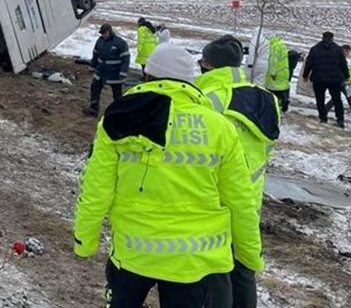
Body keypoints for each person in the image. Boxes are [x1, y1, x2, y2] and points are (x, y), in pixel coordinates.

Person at [74, 43, 263, 308]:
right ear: (190, 80)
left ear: (148, 75)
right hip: (197, 262)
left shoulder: (120, 116)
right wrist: (249, 255)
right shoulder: (220, 128)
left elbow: (96, 188)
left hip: (134, 253)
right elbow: (240, 201)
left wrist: (85, 240)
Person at [195, 35, 281, 308]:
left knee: (213, 273)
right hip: (250, 200)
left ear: (208, 64)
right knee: (243, 268)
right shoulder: (267, 100)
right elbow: (267, 149)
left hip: (212, 201)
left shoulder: (206, 99)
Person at [302, 32, 349, 128]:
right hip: (334, 79)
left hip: (318, 78)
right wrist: (346, 76)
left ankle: (323, 118)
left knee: (320, 99)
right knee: (337, 99)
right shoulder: (338, 49)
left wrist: (305, 75)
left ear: (322, 37)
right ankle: (340, 119)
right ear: (332, 38)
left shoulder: (315, 49)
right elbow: (343, 64)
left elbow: (309, 63)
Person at [84, 24, 130, 117]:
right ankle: (93, 109)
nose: (103, 35)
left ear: (109, 32)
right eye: (101, 33)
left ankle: (118, 113)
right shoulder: (100, 41)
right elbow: (95, 54)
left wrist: (123, 72)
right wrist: (92, 66)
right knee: (95, 88)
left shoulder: (120, 43)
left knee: (117, 94)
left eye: (104, 33)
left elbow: (126, 59)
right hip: (101, 72)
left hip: (115, 74)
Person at [263, 34, 291, 112]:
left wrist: (272, 73)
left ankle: (276, 104)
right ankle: (285, 101)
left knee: (274, 89)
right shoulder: (281, 44)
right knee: (282, 87)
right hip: (284, 71)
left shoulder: (274, 47)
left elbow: (273, 61)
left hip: (276, 72)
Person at [324, 44, 351, 116]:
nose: (348, 53)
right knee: (349, 97)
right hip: (342, 82)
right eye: (347, 52)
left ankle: (324, 110)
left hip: (342, 82)